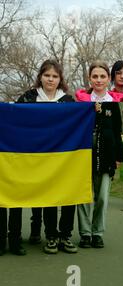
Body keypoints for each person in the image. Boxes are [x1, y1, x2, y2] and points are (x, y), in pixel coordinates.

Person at [16, 59, 78, 254]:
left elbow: (78, 125)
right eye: (47, 75)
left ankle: (65, 235)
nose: (50, 80)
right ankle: (51, 235)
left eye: (55, 76)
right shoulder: (28, 97)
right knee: (48, 197)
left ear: (60, 79)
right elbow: (16, 122)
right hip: (36, 158)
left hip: (64, 158)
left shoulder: (68, 101)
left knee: (68, 196)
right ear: (40, 77)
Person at [76, 61, 123, 248]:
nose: (99, 80)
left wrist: (119, 156)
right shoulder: (81, 102)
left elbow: (117, 130)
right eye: (95, 76)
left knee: (103, 196)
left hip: (106, 154)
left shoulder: (114, 103)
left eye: (102, 76)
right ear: (89, 79)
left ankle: (97, 232)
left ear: (108, 79)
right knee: (85, 196)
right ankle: (85, 233)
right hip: (84, 154)